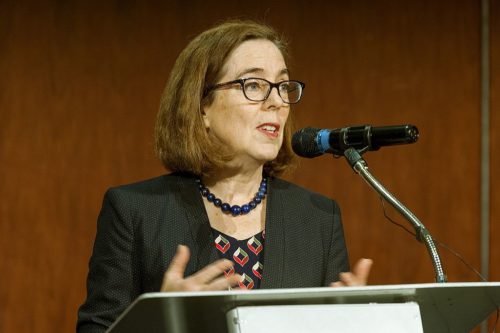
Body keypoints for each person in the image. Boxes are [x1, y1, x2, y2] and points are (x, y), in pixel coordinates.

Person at [77, 19, 373, 332]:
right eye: (254, 85)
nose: (276, 102)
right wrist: (159, 319)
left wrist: (352, 323)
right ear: (202, 105)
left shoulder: (317, 219)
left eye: (283, 86)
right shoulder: (136, 212)